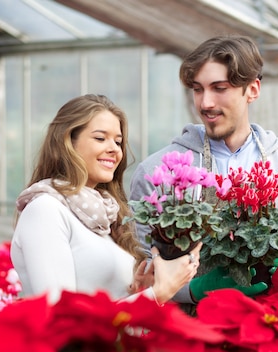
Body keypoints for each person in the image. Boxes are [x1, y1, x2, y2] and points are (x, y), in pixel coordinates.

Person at [129, 35, 278, 306]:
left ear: (252, 90)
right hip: (189, 330)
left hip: (271, 324)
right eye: (197, 89)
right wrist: (195, 290)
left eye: (219, 88)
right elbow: (141, 268)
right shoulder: (158, 171)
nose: (205, 102)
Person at [10, 94, 201, 305]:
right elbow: (60, 317)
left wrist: (140, 291)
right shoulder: (45, 210)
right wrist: (158, 293)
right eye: (100, 138)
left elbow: (107, 308)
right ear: (67, 143)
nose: (114, 149)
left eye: (118, 142)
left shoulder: (104, 215)